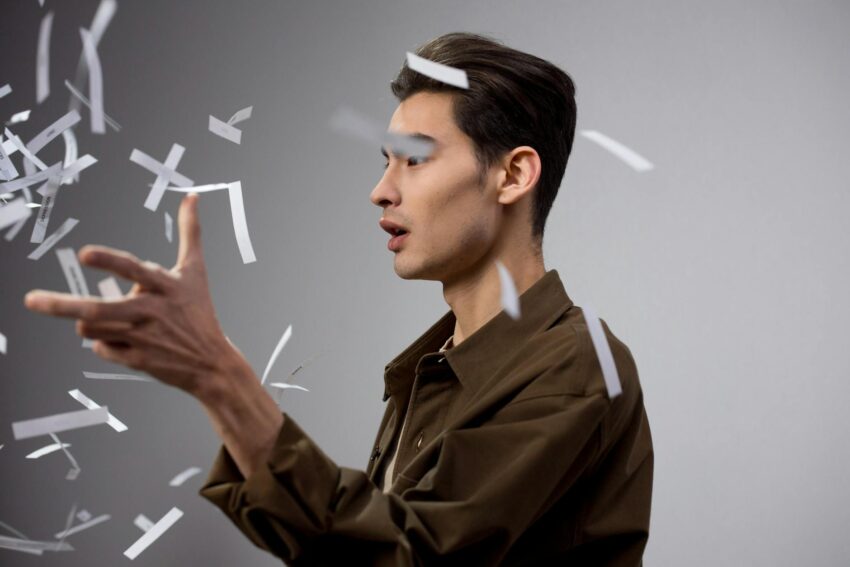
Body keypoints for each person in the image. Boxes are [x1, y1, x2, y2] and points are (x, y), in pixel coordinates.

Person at [25, 32, 653, 566]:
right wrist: (208, 381)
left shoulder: (578, 367)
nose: (380, 191)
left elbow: (412, 555)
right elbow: (353, 540)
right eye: (385, 162)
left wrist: (220, 376)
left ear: (513, 174)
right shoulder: (431, 368)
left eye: (412, 161)